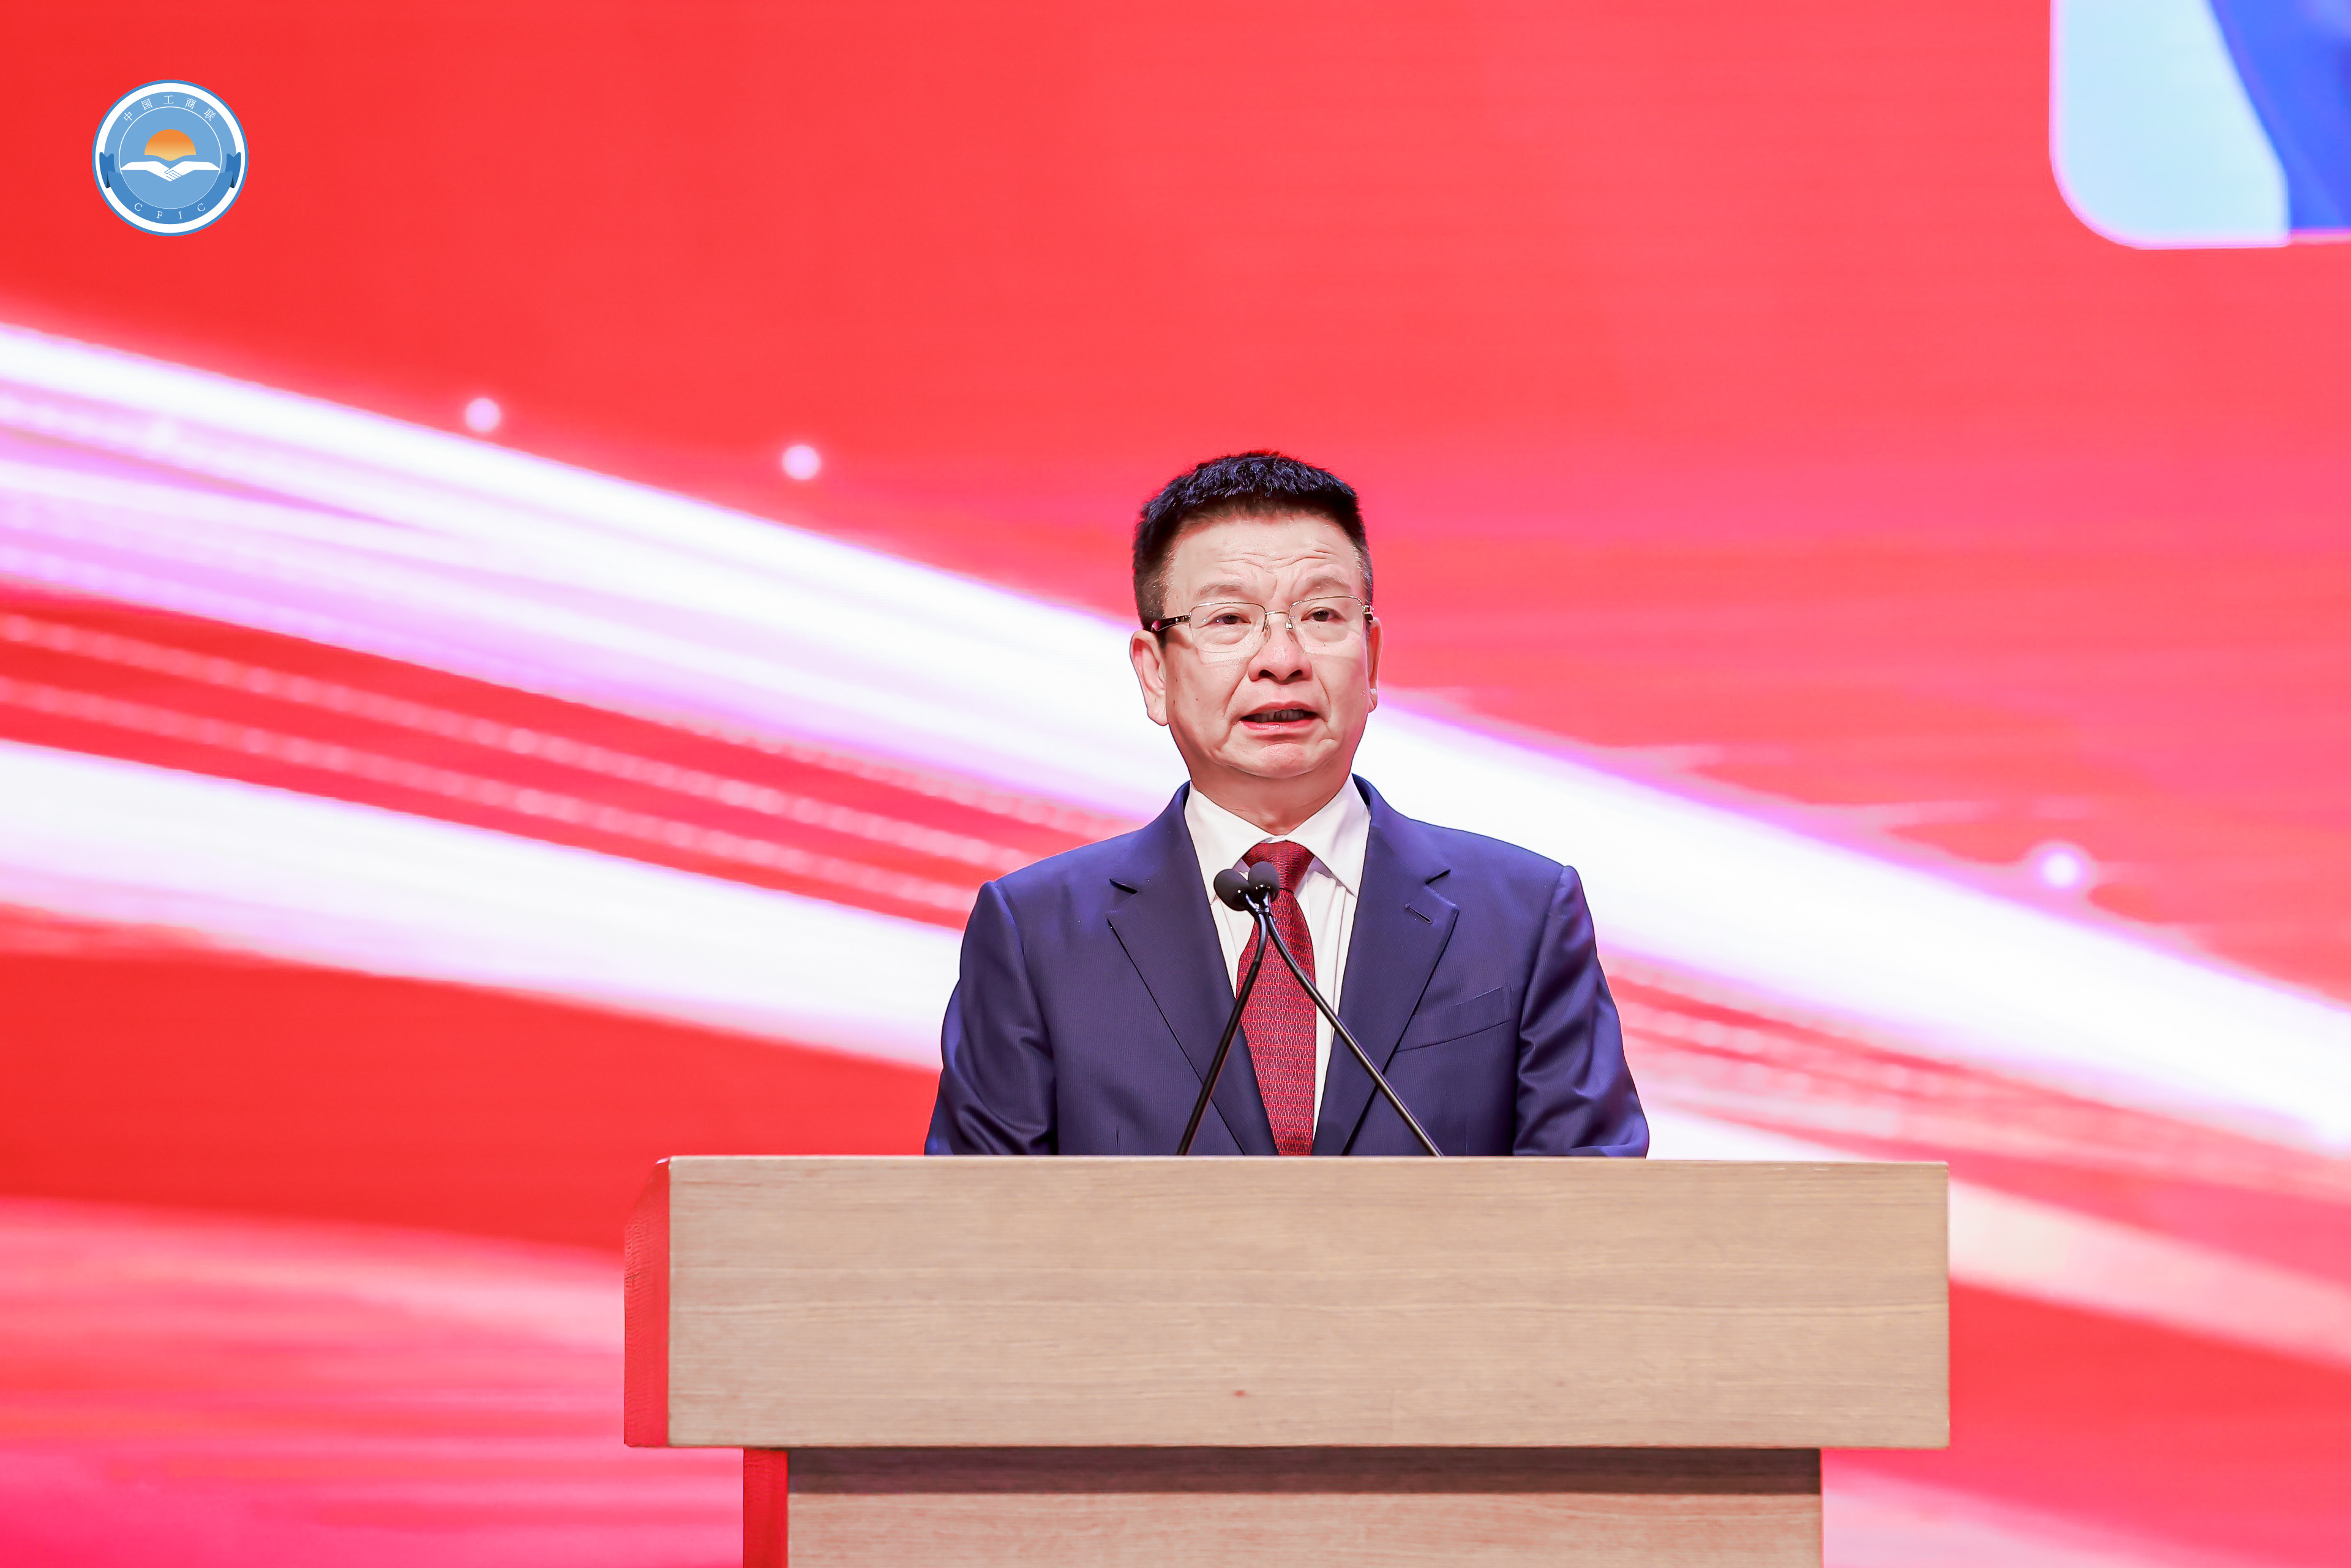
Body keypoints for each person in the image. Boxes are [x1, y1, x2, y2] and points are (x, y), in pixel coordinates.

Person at [925, 452, 1646, 1157]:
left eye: (1322, 614)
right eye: (1229, 619)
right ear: (1155, 674)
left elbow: (1592, 1206)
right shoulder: (1036, 934)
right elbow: (977, 1220)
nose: (1282, 659)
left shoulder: (1524, 916)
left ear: (1371, 659)